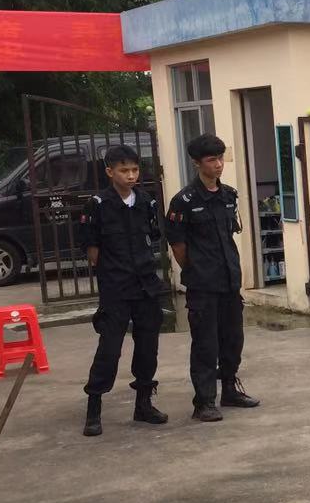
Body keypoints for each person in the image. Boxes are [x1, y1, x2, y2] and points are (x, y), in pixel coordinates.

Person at [164, 134, 260, 422]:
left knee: (233, 339)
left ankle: (230, 389)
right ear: (197, 163)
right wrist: (196, 270)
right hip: (203, 284)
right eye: (211, 160)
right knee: (206, 344)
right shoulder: (183, 201)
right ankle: (204, 401)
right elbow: (178, 246)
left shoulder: (229, 195)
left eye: (220, 158)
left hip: (229, 280)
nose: (218, 165)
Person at [78, 144, 167, 437]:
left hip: (146, 285)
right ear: (109, 172)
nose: (131, 176)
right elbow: (93, 252)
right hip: (116, 287)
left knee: (147, 347)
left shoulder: (145, 201)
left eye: (134, 170)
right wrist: (112, 274)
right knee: (110, 348)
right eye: (124, 170)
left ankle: (143, 403)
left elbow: (153, 237)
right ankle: (94, 408)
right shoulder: (98, 205)